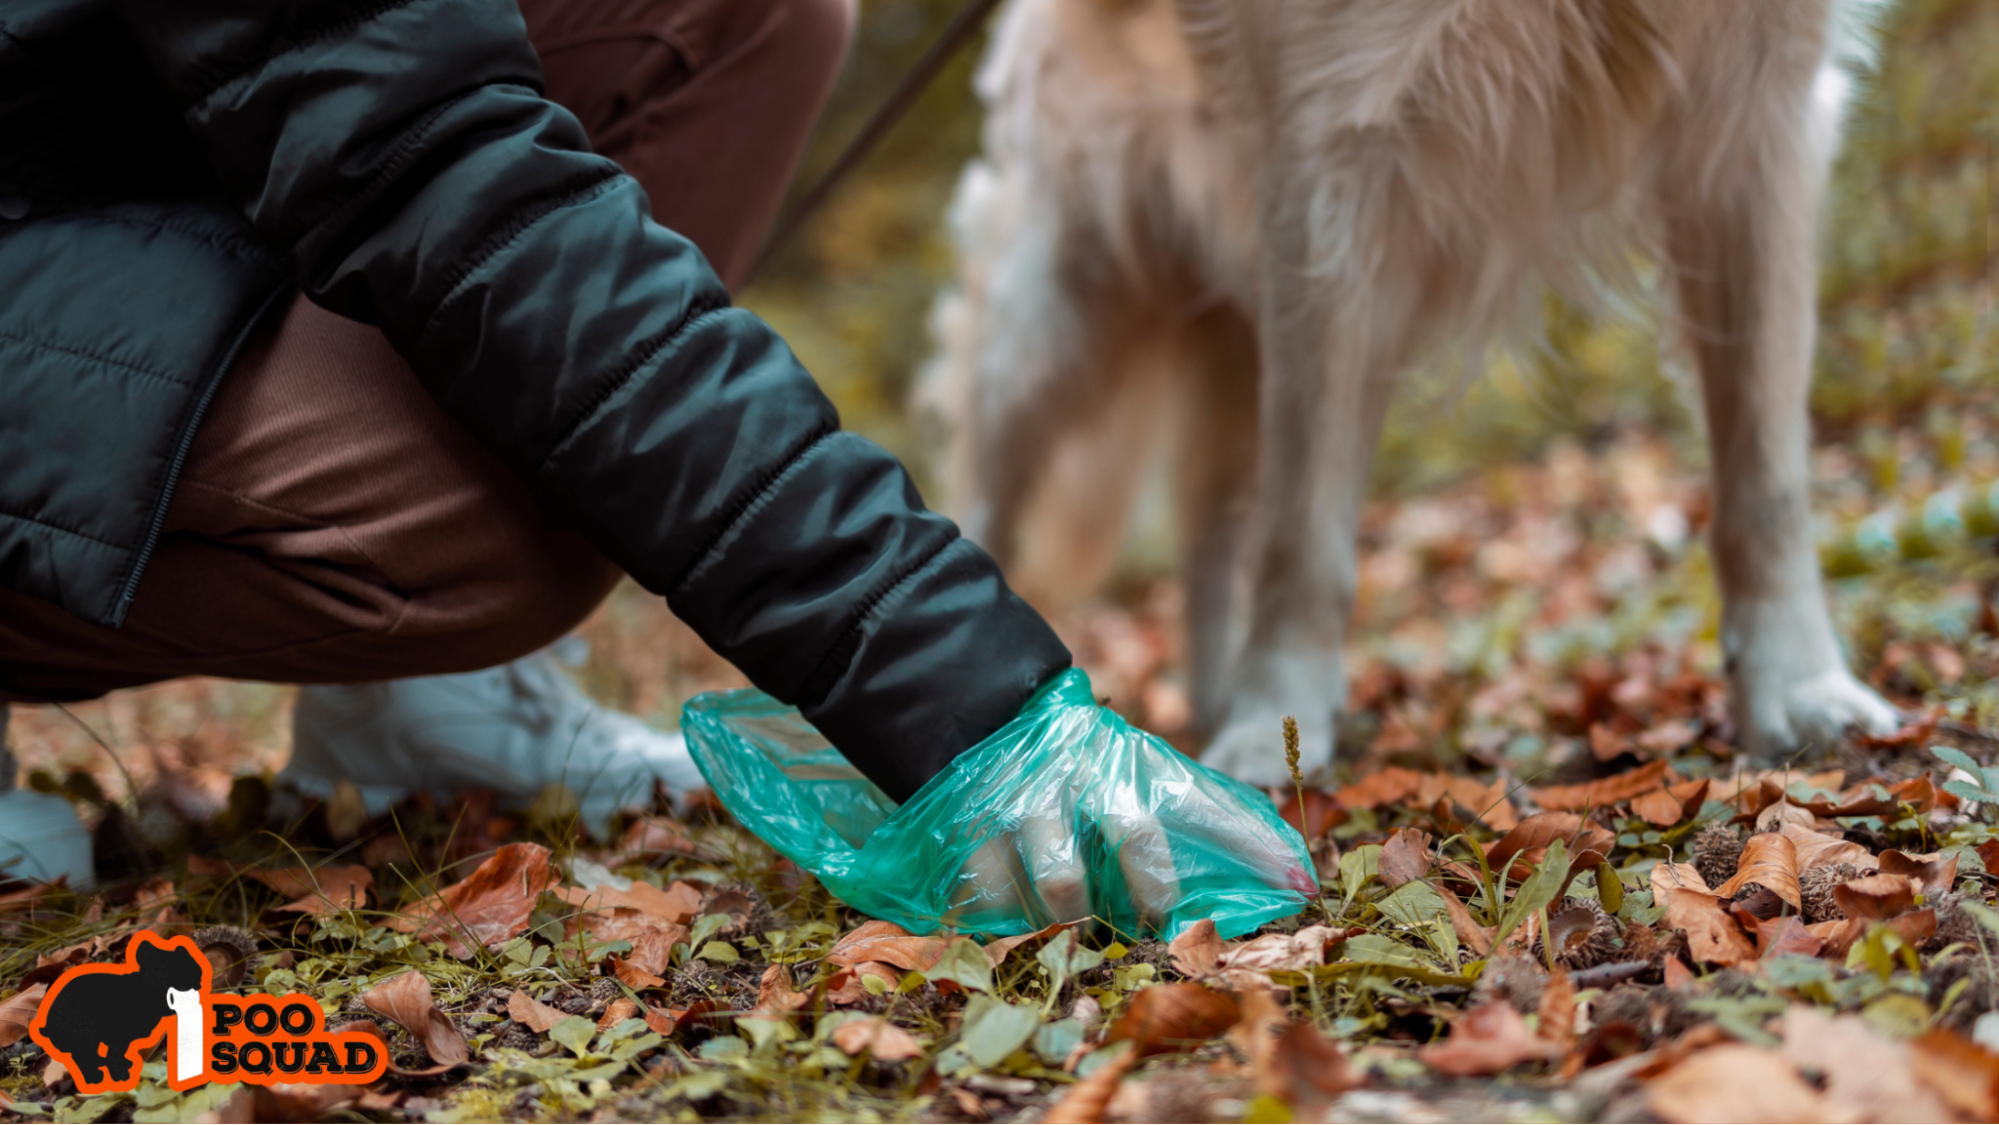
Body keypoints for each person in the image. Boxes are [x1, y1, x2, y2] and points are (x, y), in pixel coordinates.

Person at [0, 0, 1295, 922]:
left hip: (73, 125)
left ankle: (425, 713)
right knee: (476, 528)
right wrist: (970, 705)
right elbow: (436, 167)